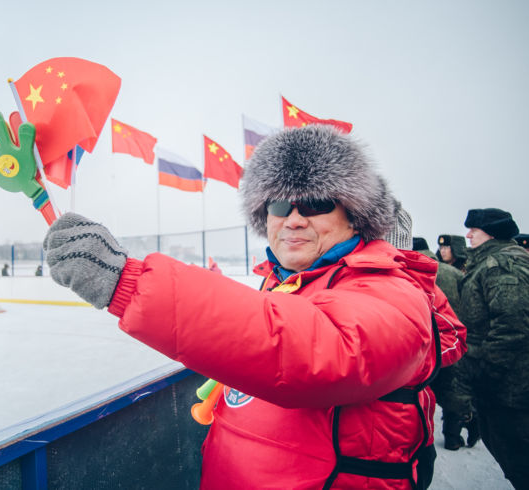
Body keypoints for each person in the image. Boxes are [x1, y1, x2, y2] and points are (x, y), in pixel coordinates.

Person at [44, 125, 451, 489]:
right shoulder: (284, 285)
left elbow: (318, 352)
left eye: (314, 204)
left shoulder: (393, 289)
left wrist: (130, 285)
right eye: (278, 207)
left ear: (355, 216)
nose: (292, 219)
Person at [455, 208, 529, 489]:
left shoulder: (501, 264)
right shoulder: (491, 261)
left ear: (493, 233)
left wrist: (486, 373)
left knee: (520, 463)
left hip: (509, 391)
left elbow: (513, 328)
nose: (468, 235)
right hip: (502, 389)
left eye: (475, 229)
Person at [413, 237, 478, 450]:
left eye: (446, 246)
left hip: (425, 342)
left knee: (429, 389)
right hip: (454, 338)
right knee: (452, 388)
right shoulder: (454, 274)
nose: (443, 249)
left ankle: (430, 435)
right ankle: (454, 433)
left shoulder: (413, 271)